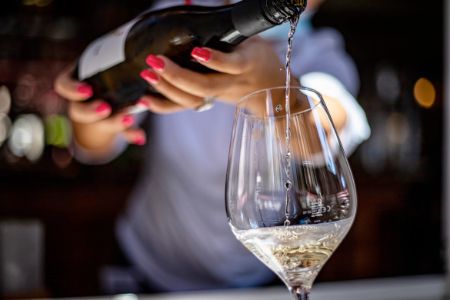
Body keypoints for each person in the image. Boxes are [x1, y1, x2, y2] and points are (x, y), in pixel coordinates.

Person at [54, 0, 370, 293]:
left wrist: (274, 92)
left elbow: (324, 131)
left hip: (256, 280)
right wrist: (93, 112)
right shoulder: (184, 15)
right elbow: (92, 148)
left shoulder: (319, 51)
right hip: (149, 269)